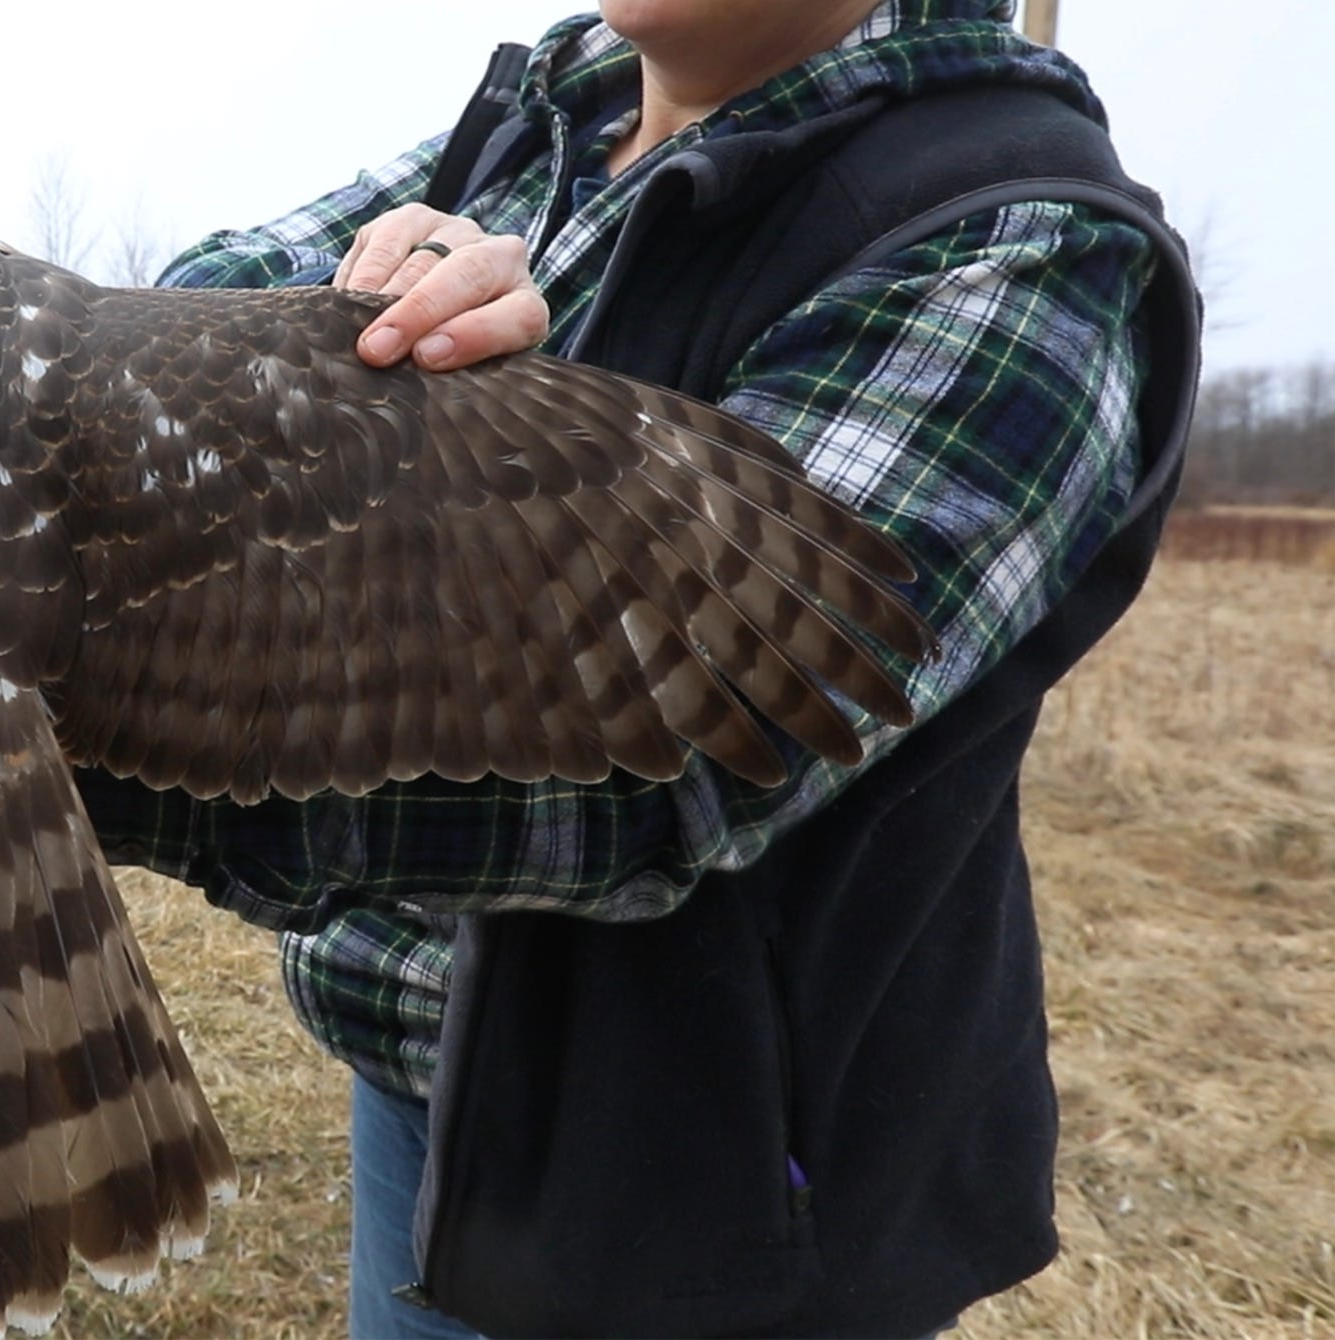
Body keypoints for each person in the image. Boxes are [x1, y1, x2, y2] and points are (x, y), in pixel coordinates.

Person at [76, 1, 1200, 1336]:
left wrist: (30, 756)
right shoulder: (551, 116)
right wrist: (329, 341)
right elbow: (130, 345)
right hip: (429, 1083)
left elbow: (680, 749)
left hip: (711, 1185)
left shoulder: (1013, 229)